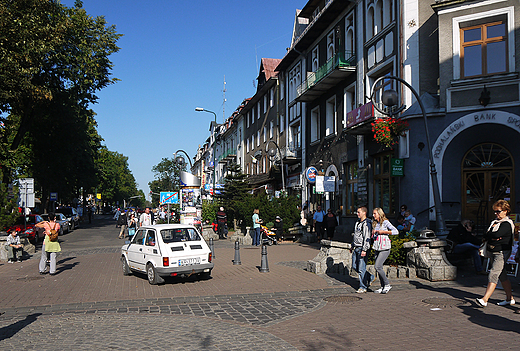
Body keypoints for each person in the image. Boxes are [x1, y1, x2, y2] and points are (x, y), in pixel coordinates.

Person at [476, 200, 515, 308]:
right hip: (492, 251)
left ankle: (485, 299)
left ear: (505, 211)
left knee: (493, 273)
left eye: (498, 211)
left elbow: (496, 234)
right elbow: (487, 234)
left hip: (501, 253)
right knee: (502, 275)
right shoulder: (494, 222)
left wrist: (493, 235)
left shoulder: (506, 224)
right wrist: (493, 235)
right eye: (495, 211)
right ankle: (509, 298)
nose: (496, 214)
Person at [372, 208, 398, 294]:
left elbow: (395, 231)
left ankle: (387, 284)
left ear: (379, 214)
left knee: (377, 266)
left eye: (375, 213)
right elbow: (376, 236)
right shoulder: (376, 224)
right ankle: (382, 286)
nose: (373, 215)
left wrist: (384, 232)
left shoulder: (385, 222)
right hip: (377, 247)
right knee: (379, 268)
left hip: (385, 247)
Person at [351, 206, 373, 293]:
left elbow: (367, 237)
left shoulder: (367, 223)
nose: (357, 214)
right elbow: (356, 235)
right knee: (354, 266)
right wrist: (352, 245)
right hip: (356, 247)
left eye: (359, 212)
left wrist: (364, 249)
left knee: (361, 268)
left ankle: (363, 286)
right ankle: (369, 277)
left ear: (364, 213)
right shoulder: (357, 222)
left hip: (362, 248)